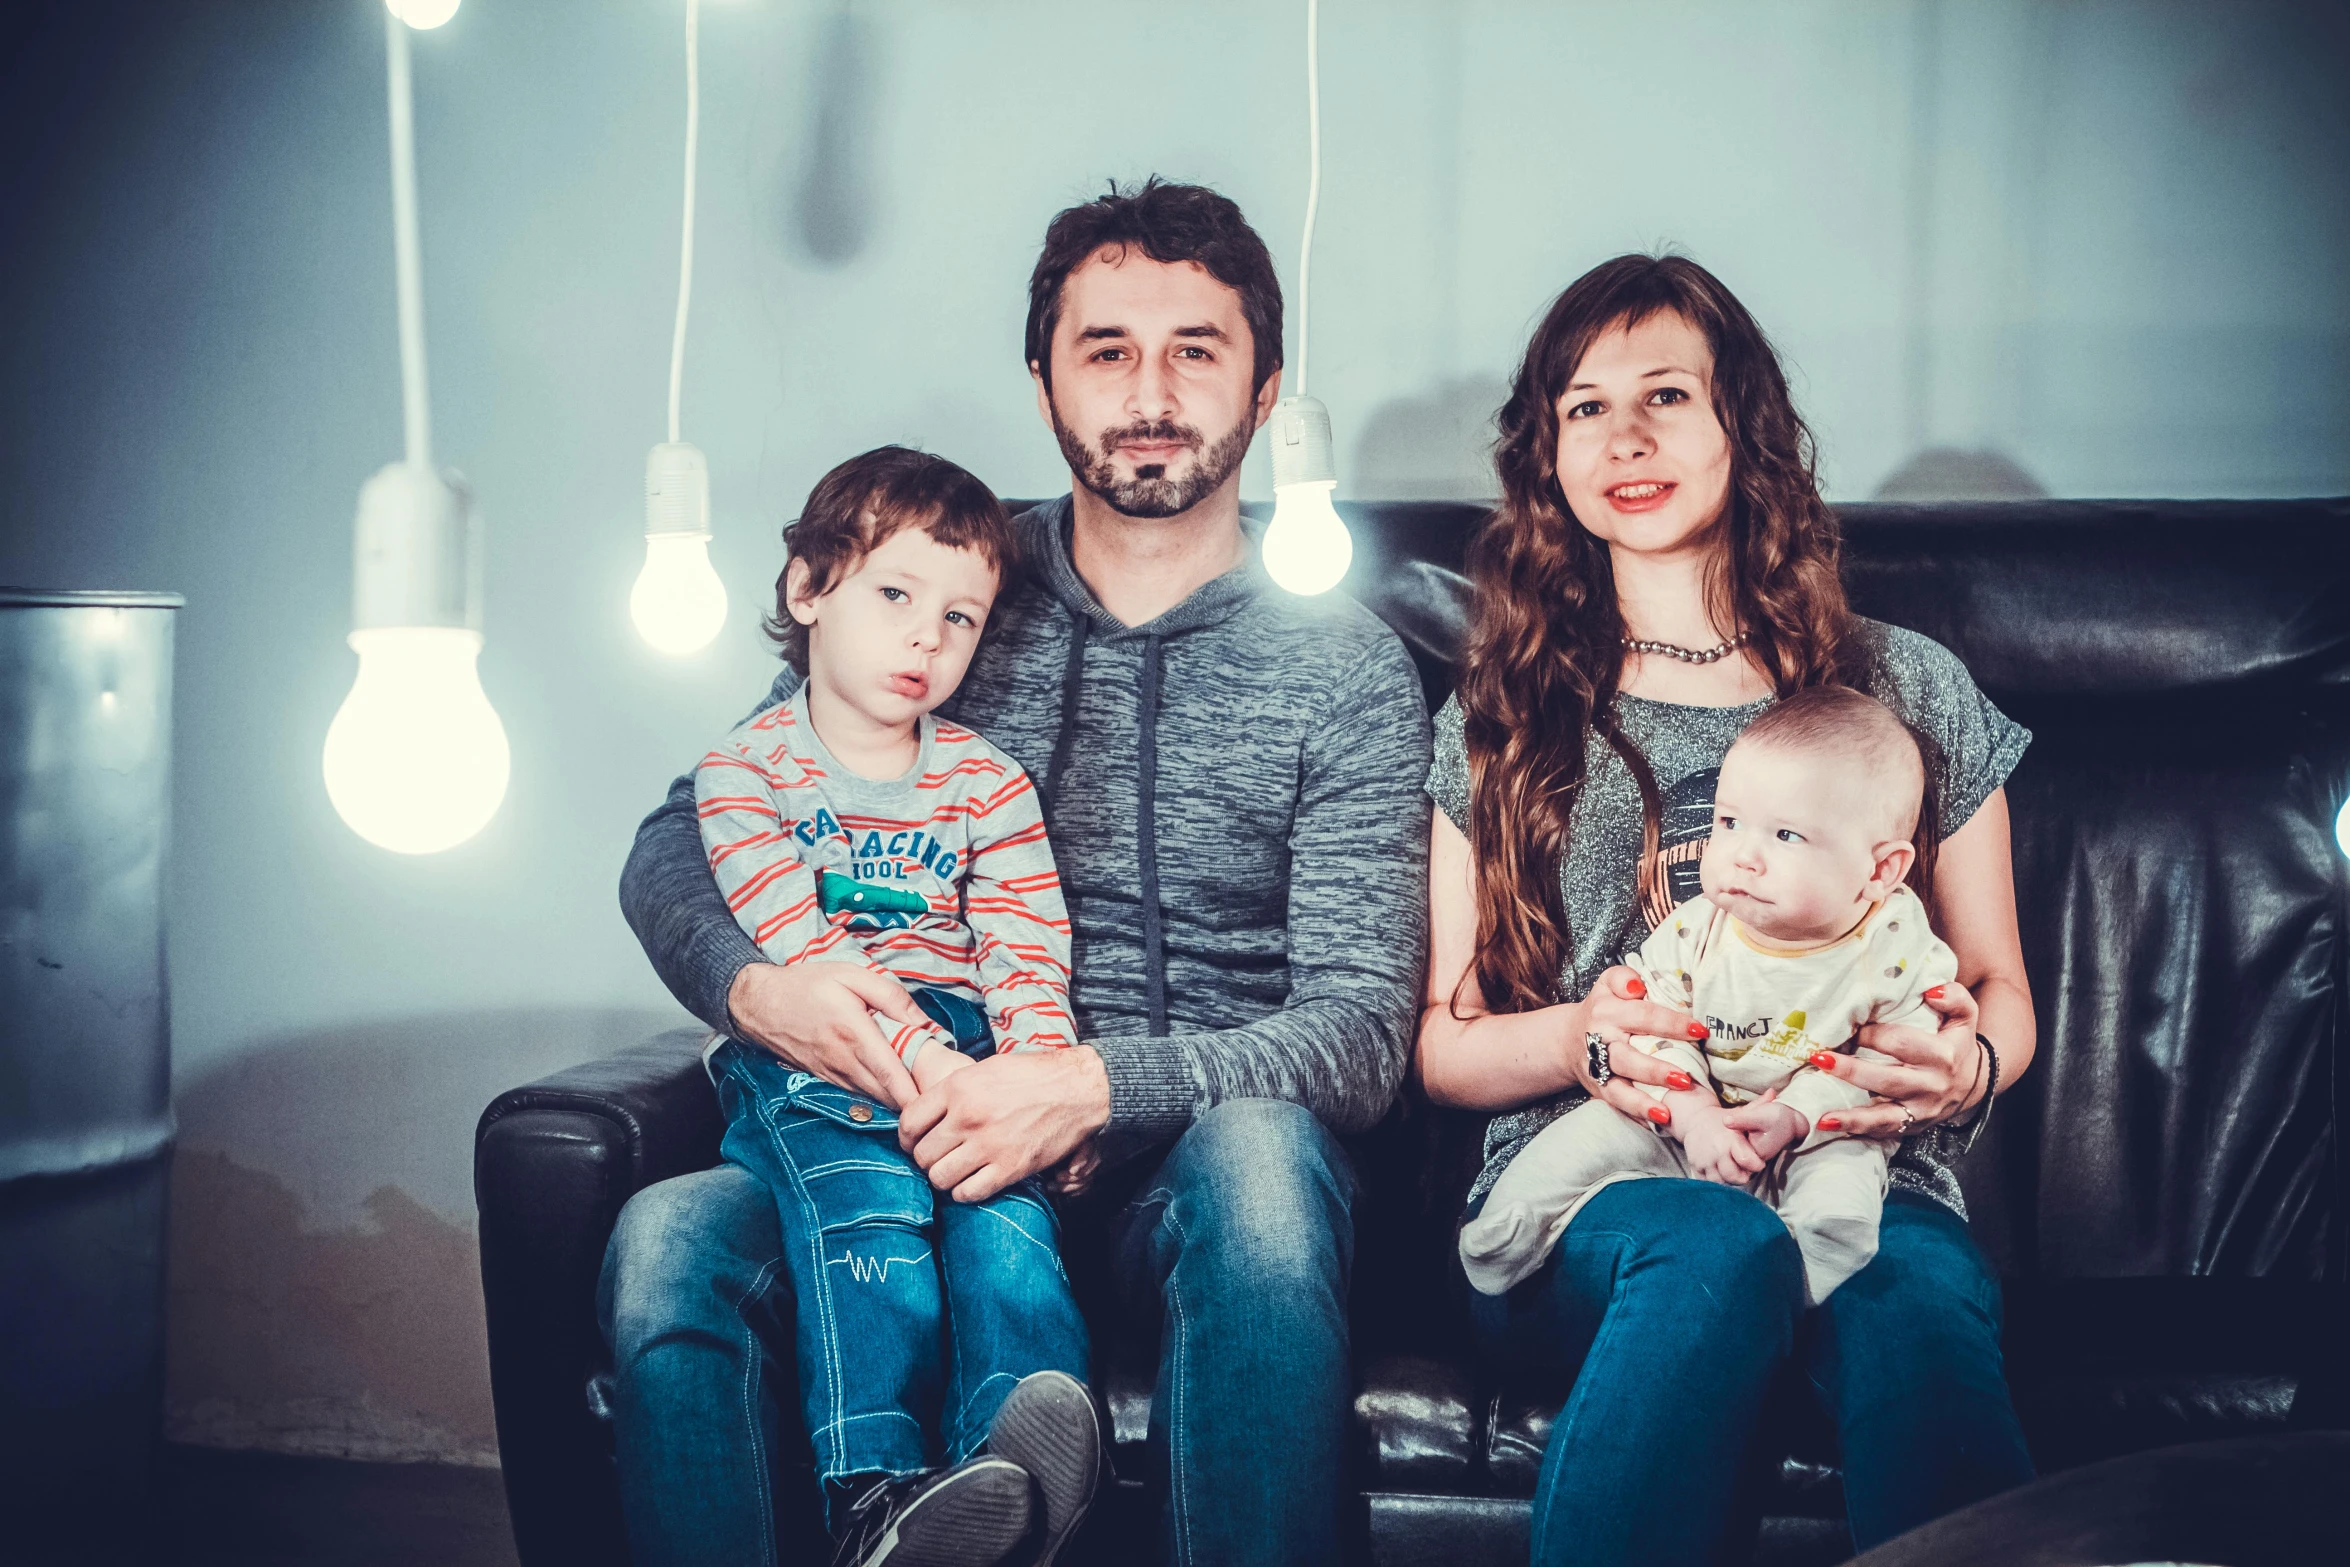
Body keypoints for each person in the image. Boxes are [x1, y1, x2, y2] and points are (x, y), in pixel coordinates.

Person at [604, 178, 1433, 1567]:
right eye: (1106, 348)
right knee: (666, 1240)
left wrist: (1088, 1083)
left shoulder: (1340, 660)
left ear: (1268, 384)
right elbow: (680, 833)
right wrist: (765, 989)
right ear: (1043, 376)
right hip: (904, 1124)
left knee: (1264, 1162)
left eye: (1196, 348)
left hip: (1186, 1174)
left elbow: (1356, 1033)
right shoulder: (940, 587)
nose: (1150, 391)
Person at [1413, 253, 2039, 1566]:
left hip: (1860, 1169)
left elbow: (1997, 989)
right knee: (1714, 1248)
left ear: (1740, 422)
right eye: (1584, 407)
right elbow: (1445, 1038)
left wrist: (1959, 1060)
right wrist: (1588, 1036)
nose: (1625, 436)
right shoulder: (1501, 709)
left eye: (1665, 396)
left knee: (1916, 1301)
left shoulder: (1901, 684)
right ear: (1547, 452)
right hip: (1596, 1201)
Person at [693, 446, 1099, 1566]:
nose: (930, 637)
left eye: (962, 617)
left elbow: (1025, 946)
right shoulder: (746, 773)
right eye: (896, 595)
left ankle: (1010, 1485)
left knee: (1007, 1228)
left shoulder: (987, 782)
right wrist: (940, 1075)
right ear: (807, 588)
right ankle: (873, 1497)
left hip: (969, 1051)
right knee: (870, 1225)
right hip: (815, 1059)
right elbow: (806, 948)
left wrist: (1031, 1077)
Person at [1458, 687, 1959, 1308]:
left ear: (1881, 870)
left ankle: (1816, 1256)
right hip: (1683, 1111)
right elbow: (1654, 1016)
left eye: (1787, 835)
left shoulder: (1896, 948)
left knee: (1845, 1176)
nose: (1742, 857)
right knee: (1586, 1139)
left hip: (1817, 1127)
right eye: (1729, 823)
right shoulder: (1702, 926)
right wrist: (1694, 1115)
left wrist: (1800, 1115)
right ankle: (1513, 1225)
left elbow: (1893, 1063)